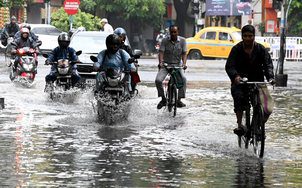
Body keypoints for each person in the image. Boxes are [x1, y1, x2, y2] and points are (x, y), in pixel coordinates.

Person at [225, 25, 275, 136]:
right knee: (238, 98)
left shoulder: (261, 49)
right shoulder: (236, 49)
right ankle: (239, 125)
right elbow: (230, 66)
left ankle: (256, 126)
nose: (248, 38)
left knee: (268, 107)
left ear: (254, 36)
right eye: (245, 36)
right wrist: (235, 76)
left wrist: (270, 77)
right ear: (242, 37)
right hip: (241, 82)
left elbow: (268, 65)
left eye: (250, 36)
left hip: (258, 82)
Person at [155, 25, 188, 109]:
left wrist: (184, 64)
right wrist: (161, 62)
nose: (173, 34)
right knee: (158, 80)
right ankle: (163, 99)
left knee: (183, 79)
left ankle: (179, 100)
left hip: (177, 65)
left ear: (178, 32)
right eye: (171, 32)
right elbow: (161, 52)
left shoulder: (183, 41)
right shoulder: (165, 40)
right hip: (166, 65)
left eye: (175, 32)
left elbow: (184, 54)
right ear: (169, 32)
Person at [114, 27, 140, 95]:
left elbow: (132, 56)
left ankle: (132, 91)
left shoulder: (127, 48)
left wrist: (133, 59)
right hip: (113, 67)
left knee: (135, 75)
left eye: (123, 36)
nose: (121, 38)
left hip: (125, 68)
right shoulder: (111, 47)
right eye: (120, 36)